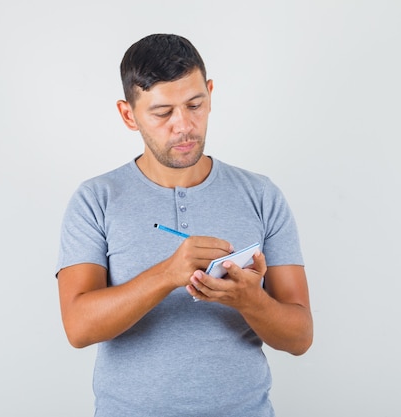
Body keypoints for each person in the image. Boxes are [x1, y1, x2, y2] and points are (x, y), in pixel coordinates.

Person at [55, 33, 313, 417]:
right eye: (162, 113)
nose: (184, 126)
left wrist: (250, 300)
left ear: (210, 94)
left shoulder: (261, 195)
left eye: (195, 104)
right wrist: (166, 275)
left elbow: (300, 336)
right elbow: (78, 327)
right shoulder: (96, 199)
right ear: (129, 115)